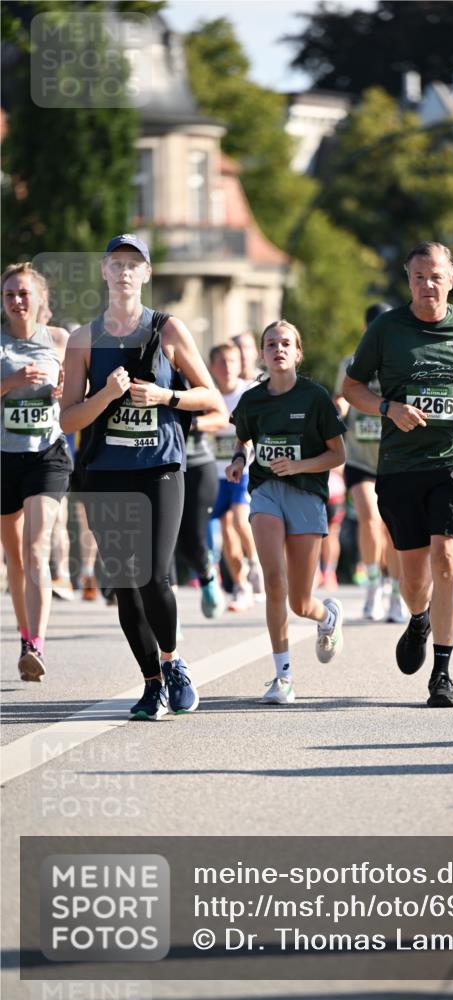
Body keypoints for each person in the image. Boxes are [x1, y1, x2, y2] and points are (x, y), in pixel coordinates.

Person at [61, 233, 219, 719]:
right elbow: (68, 420)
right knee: (125, 585)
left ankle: (173, 663)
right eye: (116, 263)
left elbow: (210, 396)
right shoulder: (83, 339)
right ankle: (151, 683)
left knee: (152, 574)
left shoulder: (168, 330)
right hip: (105, 473)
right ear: (104, 272)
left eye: (134, 264)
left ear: (146, 274)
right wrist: (106, 395)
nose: (124, 272)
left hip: (159, 468)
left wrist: (165, 397)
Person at [342, 241, 453, 708]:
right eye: (419, 277)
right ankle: (419, 619)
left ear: (451, 278)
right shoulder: (386, 328)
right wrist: (388, 408)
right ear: (408, 280)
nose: (427, 284)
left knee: (447, 558)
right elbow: (351, 387)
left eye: (436, 276)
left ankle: (443, 672)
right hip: (400, 465)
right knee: (414, 581)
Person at [226, 319, 346, 705]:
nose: (278, 349)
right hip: (266, 492)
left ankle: (327, 617)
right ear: (262, 354)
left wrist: (298, 466)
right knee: (274, 581)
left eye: (285, 344)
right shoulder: (252, 400)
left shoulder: (315, 397)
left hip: (307, 494)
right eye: (271, 344)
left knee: (299, 601)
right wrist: (238, 461)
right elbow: (242, 440)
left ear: (297, 353)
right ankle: (284, 677)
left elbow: (338, 454)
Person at [1, 262, 72, 680]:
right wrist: (9, 383)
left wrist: (66, 390)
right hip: (4, 457)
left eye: (24, 293)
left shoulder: (60, 340)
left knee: (35, 549)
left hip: (47, 454)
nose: (16, 301)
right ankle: (24, 634)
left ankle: (36, 645)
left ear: (40, 298)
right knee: (14, 559)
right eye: (9, 294)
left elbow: (80, 388)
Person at [333, 303, 407, 623]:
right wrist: (338, 411)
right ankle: (373, 586)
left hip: (395, 459)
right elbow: (342, 395)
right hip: (360, 458)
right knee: (369, 518)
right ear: (367, 330)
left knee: (394, 529)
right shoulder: (351, 363)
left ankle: (396, 592)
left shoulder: (404, 362)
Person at [209, 340, 264, 609]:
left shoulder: (248, 391)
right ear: (212, 367)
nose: (227, 367)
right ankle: (241, 585)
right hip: (218, 472)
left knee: (239, 518)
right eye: (221, 362)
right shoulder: (208, 395)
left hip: (244, 469)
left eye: (232, 361)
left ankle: (255, 565)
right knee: (226, 529)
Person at [175, 383, 228, 619]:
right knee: (162, 544)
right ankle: (168, 618)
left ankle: (207, 575)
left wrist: (189, 423)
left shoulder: (191, 374)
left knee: (192, 541)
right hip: (161, 466)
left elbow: (221, 417)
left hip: (197, 465)